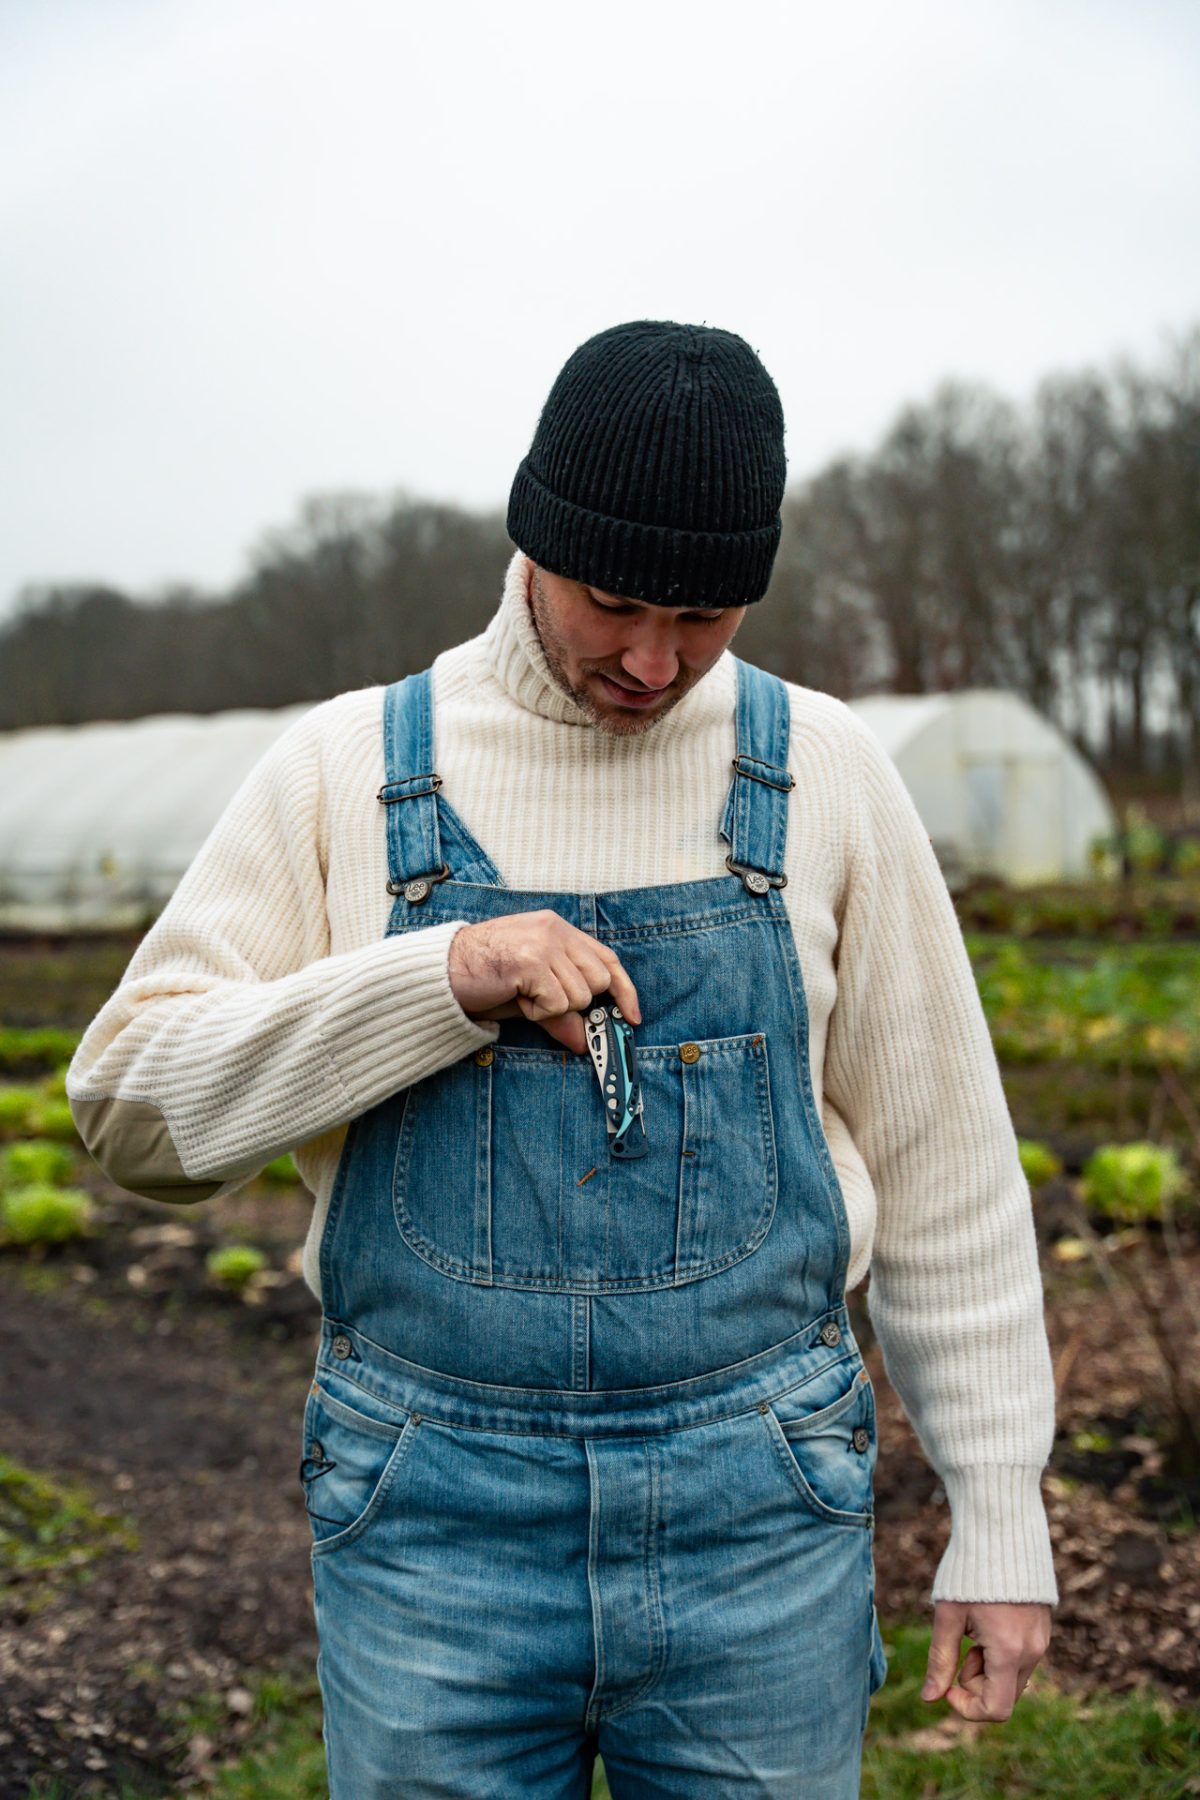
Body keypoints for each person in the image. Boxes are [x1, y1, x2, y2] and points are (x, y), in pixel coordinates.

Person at [67, 319, 1057, 1798]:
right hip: (431, 1521)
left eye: (707, 616)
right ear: (535, 539)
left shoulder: (826, 771)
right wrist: (443, 976)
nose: (655, 663)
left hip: (759, 1516)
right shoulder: (349, 767)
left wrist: (1000, 1515)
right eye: (616, 603)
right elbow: (132, 1109)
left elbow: (951, 1174)